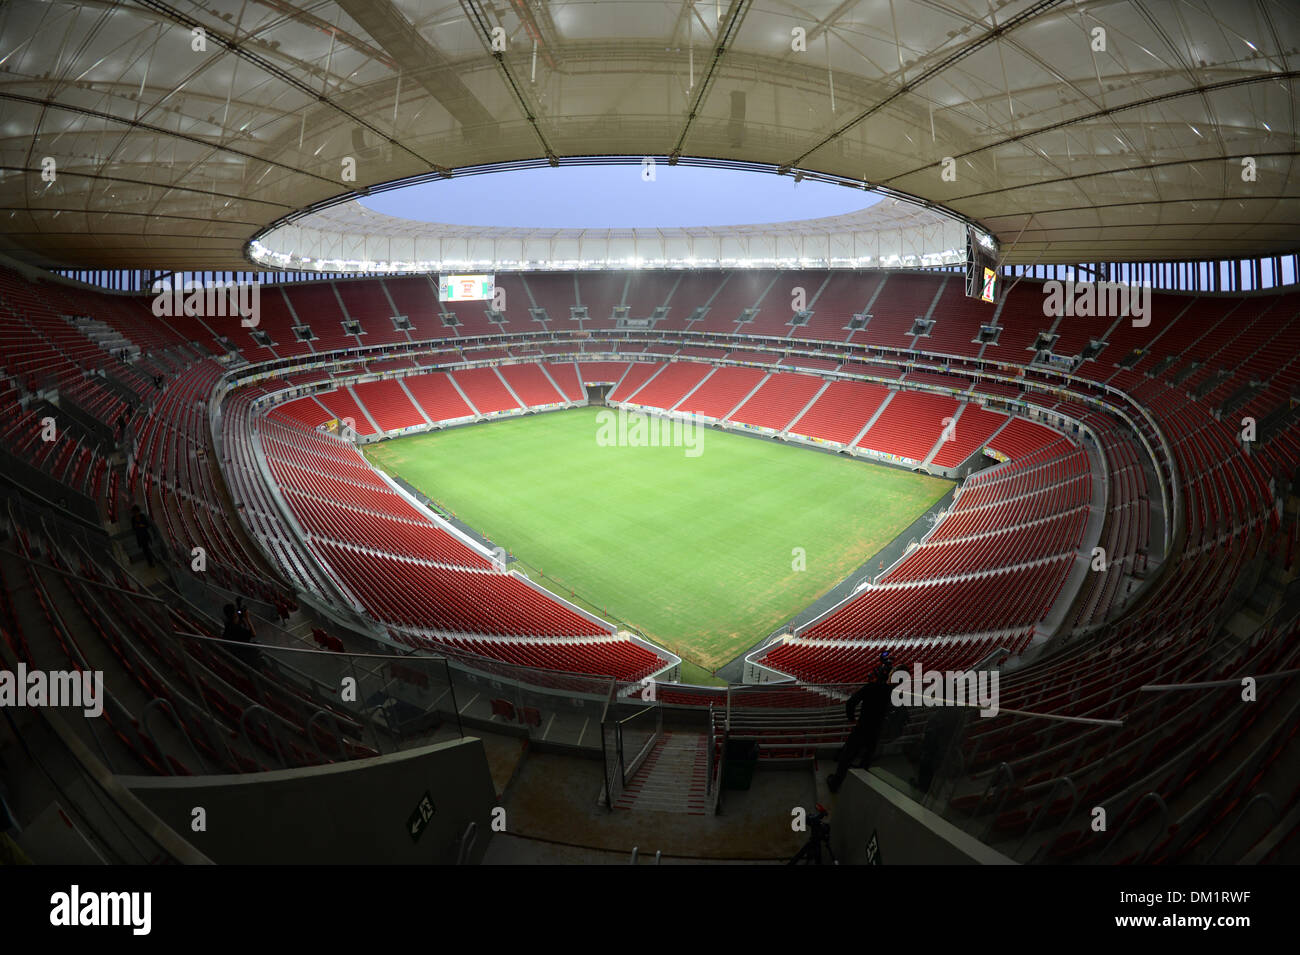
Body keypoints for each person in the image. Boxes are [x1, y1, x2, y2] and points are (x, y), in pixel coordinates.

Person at [827, 650, 897, 794]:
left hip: (863, 726)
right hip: (877, 730)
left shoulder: (870, 688)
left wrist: (851, 719)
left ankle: (836, 783)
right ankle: (861, 786)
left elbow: (850, 703)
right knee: (866, 758)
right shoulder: (892, 692)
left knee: (847, 756)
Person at [222, 602, 260, 669]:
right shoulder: (237, 629)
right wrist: (247, 618)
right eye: (236, 611)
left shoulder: (227, 625)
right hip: (244, 653)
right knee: (258, 644)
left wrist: (241, 618)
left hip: (236, 651)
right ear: (233, 614)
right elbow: (254, 634)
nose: (238, 612)